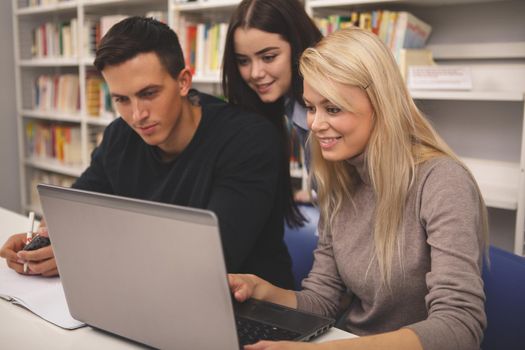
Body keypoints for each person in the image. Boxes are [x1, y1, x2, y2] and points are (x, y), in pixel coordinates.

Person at [229, 27, 488, 350]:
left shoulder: (441, 181)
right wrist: (262, 292)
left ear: (381, 105)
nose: (315, 124)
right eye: (311, 107)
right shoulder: (339, 179)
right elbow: (323, 299)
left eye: (333, 108)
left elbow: (459, 327)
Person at [0, 16, 294, 289]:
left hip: (251, 309)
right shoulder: (119, 135)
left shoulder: (248, 140)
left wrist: (78, 251)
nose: (137, 115)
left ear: (183, 82)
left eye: (148, 93)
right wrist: (45, 240)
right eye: (122, 99)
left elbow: (211, 260)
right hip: (150, 292)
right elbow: (75, 210)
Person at [222, 0, 323, 207]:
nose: (255, 73)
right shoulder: (287, 103)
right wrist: (319, 195)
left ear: (298, 47)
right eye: (243, 61)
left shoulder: (329, 103)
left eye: (268, 57)